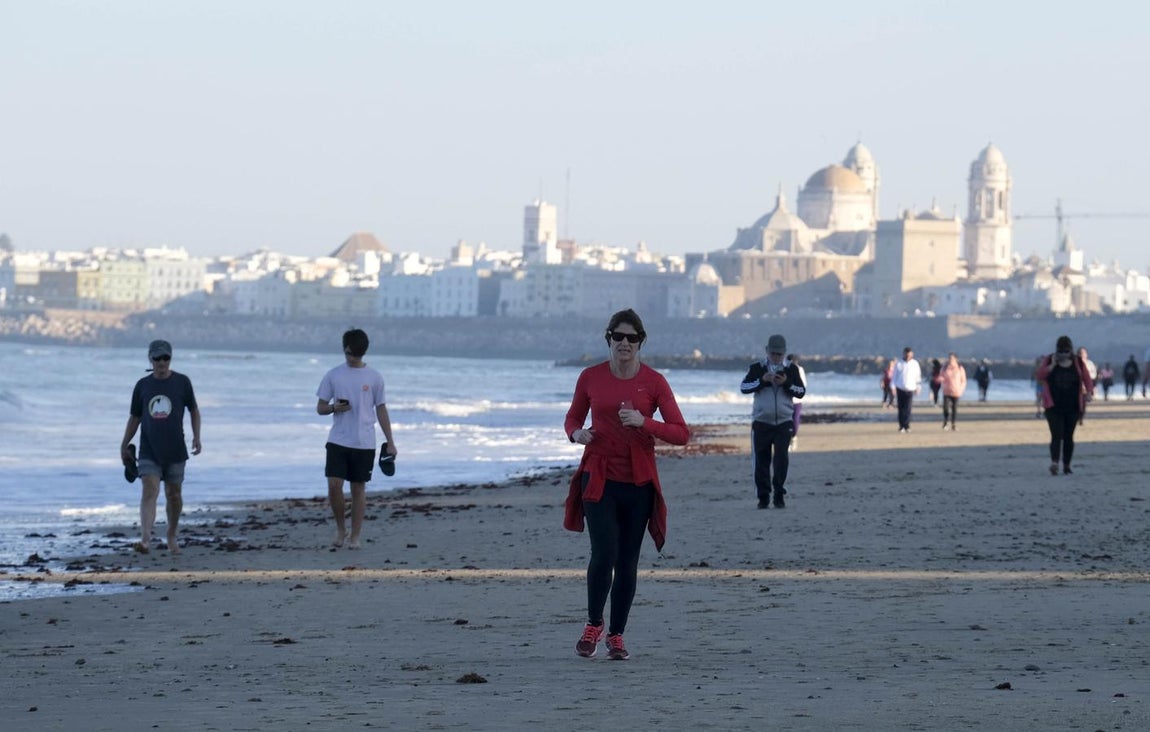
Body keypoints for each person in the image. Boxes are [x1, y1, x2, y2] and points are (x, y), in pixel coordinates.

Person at [564, 309, 689, 661]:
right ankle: (593, 625)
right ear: (608, 339)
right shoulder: (590, 377)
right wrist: (577, 433)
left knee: (628, 561)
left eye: (631, 338)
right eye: (618, 336)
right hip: (599, 477)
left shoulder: (654, 382)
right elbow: (573, 416)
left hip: (638, 482)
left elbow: (681, 433)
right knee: (603, 554)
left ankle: (616, 636)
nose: (624, 343)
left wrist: (644, 421)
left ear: (640, 342)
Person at [316, 328, 396, 550]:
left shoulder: (375, 377)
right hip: (338, 440)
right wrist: (334, 407)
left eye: (357, 354)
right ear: (344, 349)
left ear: (363, 352)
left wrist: (390, 441)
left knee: (358, 488)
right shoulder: (333, 375)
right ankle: (341, 529)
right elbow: (320, 407)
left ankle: (355, 536)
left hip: (364, 441)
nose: (352, 358)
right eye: (350, 354)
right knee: (334, 485)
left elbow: (381, 409)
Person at [119, 340, 202, 554]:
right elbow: (135, 417)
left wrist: (197, 437)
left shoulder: (182, 382)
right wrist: (124, 443)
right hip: (149, 449)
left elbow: (194, 410)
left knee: (174, 494)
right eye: (157, 358)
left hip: (175, 449)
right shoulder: (143, 385)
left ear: (170, 359)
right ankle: (145, 539)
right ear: (150, 359)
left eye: (166, 358)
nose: (162, 362)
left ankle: (171, 535)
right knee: (150, 490)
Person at [740, 338, 806, 509]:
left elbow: (801, 392)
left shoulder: (791, 369)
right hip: (761, 422)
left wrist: (786, 384)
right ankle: (763, 497)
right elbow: (744, 387)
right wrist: (762, 380)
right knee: (761, 460)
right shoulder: (757, 368)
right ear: (767, 351)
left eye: (779, 354)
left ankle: (779, 493)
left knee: (781, 459)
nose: (776, 357)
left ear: (784, 353)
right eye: (773, 354)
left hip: (784, 421)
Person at [1036, 335, 1094, 476]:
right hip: (1053, 406)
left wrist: (1089, 392)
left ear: (1071, 351)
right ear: (1056, 350)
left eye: (1066, 351)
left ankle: (1067, 465)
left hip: (1073, 406)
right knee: (1056, 434)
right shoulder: (1049, 360)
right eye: (1060, 351)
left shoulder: (1078, 362)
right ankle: (1055, 462)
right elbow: (1039, 376)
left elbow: (1087, 378)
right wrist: (1052, 365)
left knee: (1069, 436)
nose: (1063, 354)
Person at [891, 347, 922, 433]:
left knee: (908, 408)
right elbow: (894, 376)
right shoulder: (899, 363)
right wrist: (892, 387)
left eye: (909, 355)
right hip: (900, 388)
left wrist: (918, 387)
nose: (908, 356)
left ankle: (907, 425)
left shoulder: (915, 364)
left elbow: (918, 376)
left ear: (912, 354)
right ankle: (901, 426)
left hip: (910, 388)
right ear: (904, 354)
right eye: (906, 354)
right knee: (901, 408)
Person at [939, 352, 967, 431]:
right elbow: (941, 377)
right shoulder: (944, 368)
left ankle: (953, 424)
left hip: (956, 391)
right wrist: (942, 383)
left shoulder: (960, 368)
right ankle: (945, 422)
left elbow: (963, 380)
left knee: (954, 408)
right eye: (949, 358)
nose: (950, 360)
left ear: (955, 359)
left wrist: (961, 389)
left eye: (952, 358)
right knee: (946, 408)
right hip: (946, 391)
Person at [786, 353, 807, 451]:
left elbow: (803, 385)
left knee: (795, 420)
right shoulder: (785, 369)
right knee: (786, 422)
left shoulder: (800, 370)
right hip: (786, 399)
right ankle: (787, 441)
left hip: (797, 400)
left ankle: (794, 437)